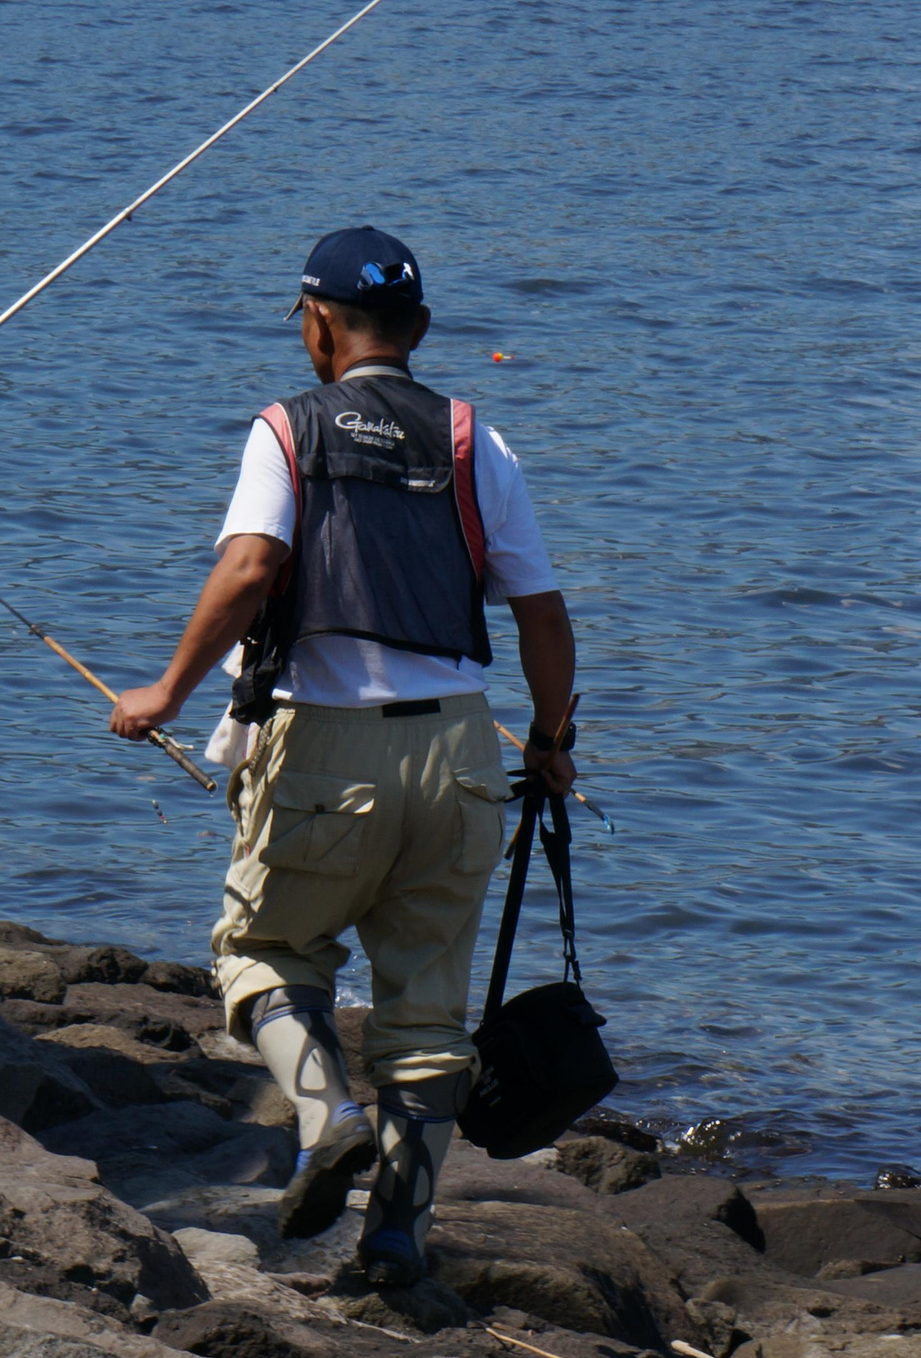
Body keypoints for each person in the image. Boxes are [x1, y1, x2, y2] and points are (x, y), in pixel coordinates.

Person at [110, 227, 579, 1287]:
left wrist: (165, 692)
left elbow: (249, 569)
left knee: (259, 953)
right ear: (416, 329)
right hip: (460, 754)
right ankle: (399, 1242)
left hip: (325, 752)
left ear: (315, 323)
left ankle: (326, 1120)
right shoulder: (474, 439)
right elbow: (544, 616)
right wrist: (549, 743)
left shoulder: (288, 429)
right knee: (425, 1020)